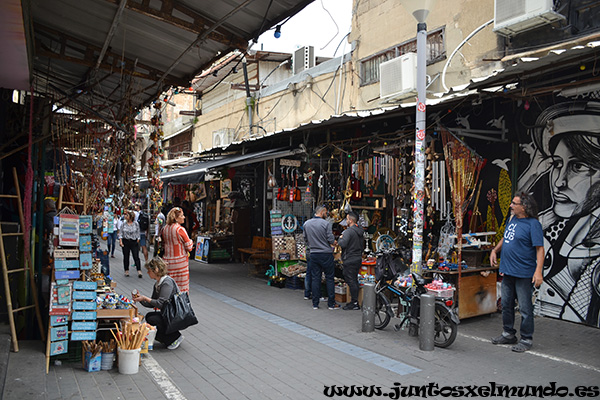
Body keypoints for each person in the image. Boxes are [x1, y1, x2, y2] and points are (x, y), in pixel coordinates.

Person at [519, 101, 600, 326]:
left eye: (578, 167)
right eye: (557, 164)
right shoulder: (548, 223)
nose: (559, 182)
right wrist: (534, 172)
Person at [489, 192, 544, 352]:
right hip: (508, 270)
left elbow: (540, 249)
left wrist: (538, 272)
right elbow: (506, 237)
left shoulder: (533, 224)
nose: (511, 205)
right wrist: (495, 250)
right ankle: (508, 334)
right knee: (506, 304)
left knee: (525, 308)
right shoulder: (512, 220)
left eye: (514, 203)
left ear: (524, 206)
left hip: (523, 272)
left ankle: (526, 338)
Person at [132, 258, 185, 350]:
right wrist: (140, 299)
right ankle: (167, 338)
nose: (148, 273)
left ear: (155, 270)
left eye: (149, 270)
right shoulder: (158, 283)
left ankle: (174, 338)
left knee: (153, 319)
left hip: (174, 314)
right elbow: (153, 303)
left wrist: (145, 298)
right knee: (149, 316)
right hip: (168, 312)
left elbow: (160, 303)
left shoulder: (167, 283)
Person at [303, 205, 339, 310]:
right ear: (322, 212)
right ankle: (331, 304)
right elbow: (331, 239)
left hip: (314, 253)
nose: (326, 214)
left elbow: (305, 239)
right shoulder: (326, 224)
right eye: (326, 212)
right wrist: (334, 243)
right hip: (326, 254)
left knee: (315, 278)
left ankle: (315, 303)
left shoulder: (307, 224)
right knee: (329, 278)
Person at [162, 207, 194, 292]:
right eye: (182, 215)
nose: (184, 217)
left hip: (167, 262)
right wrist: (191, 241)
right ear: (176, 218)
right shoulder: (180, 229)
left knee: (169, 287)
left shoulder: (165, 229)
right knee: (181, 289)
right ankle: (180, 304)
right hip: (180, 263)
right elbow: (189, 247)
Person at [337, 212, 364, 310]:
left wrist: (340, 239)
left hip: (349, 258)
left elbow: (343, 244)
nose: (346, 220)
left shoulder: (348, 232)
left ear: (351, 220)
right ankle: (354, 301)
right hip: (357, 258)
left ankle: (354, 302)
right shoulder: (360, 231)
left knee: (351, 281)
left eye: (347, 219)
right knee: (354, 280)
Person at [118, 210, 142, 278]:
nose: (125, 216)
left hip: (133, 241)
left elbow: (138, 232)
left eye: (127, 215)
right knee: (126, 256)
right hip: (126, 241)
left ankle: (139, 270)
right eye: (125, 215)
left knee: (136, 256)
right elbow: (121, 233)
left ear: (131, 217)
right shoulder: (123, 224)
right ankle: (126, 270)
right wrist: (120, 241)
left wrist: (138, 239)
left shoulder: (136, 224)